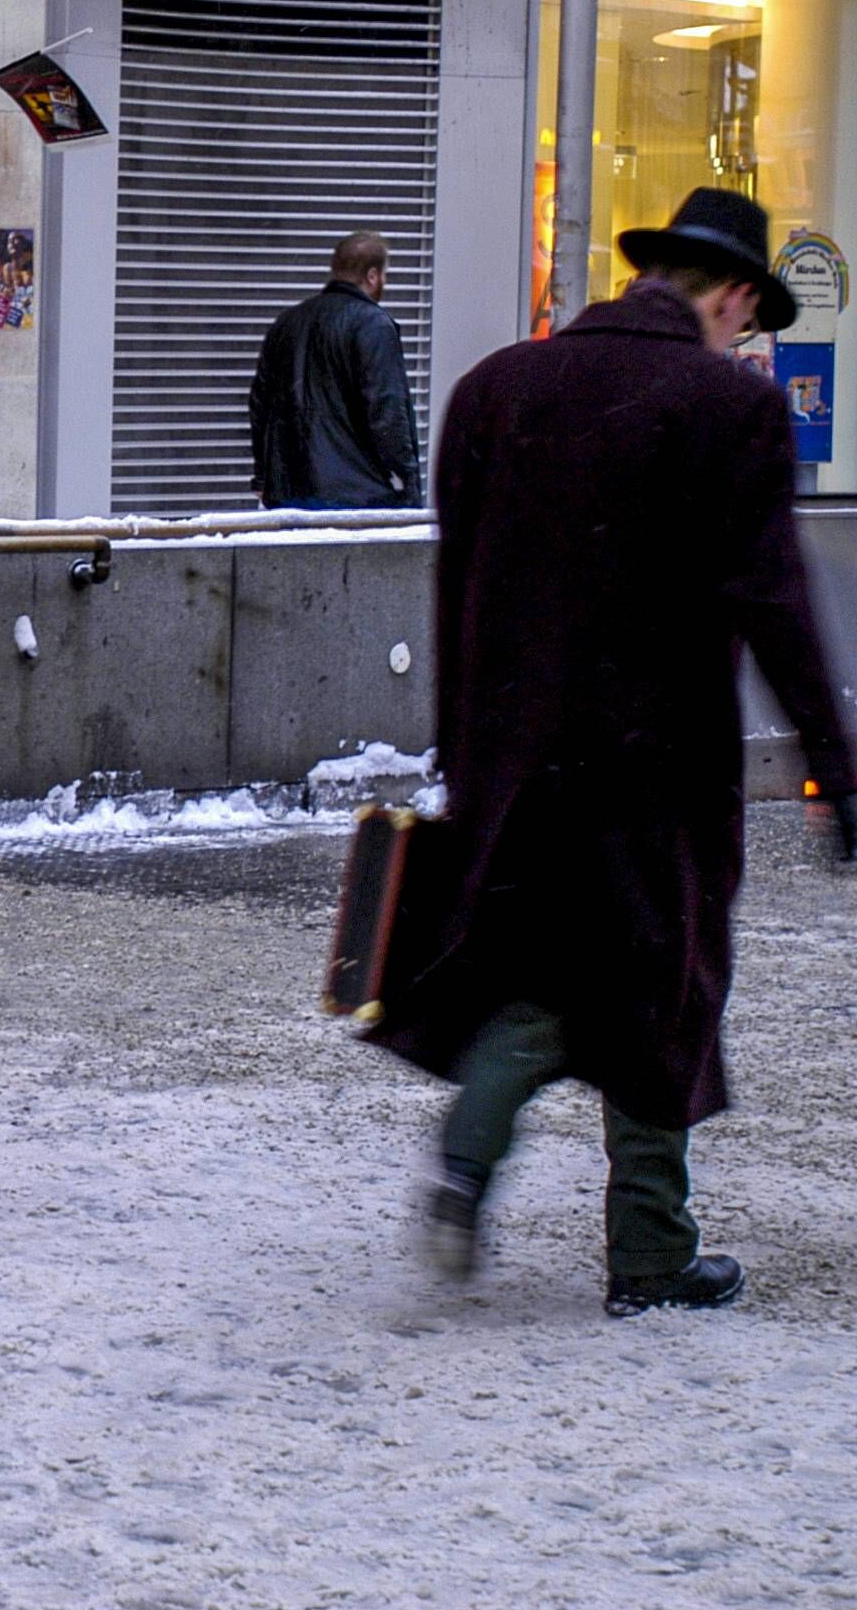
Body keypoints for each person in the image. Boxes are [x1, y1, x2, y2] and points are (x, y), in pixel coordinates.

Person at [368, 187, 855, 1317]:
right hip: (657, 766)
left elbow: (458, 586)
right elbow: (775, 608)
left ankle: (468, 1161)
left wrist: (464, 751)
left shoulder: (494, 387)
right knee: (659, 994)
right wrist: (836, 770)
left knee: (540, 975)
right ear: (730, 296)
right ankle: (649, 1251)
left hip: (515, 756)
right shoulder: (726, 409)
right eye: (748, 316)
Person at [247, 230, 423, 509]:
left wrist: (263, 476)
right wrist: (409, 483)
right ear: (373, 276)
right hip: (356, 493)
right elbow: (386, 411)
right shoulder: (373, 324)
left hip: (288, 491)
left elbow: (260, 406)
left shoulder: (287, 323)